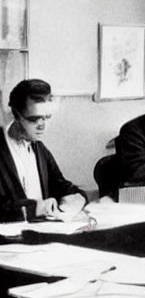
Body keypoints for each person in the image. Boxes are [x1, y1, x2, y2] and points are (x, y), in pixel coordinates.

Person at [0, 79, 86, 222]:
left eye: (47, 118)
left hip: (42, 231)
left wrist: (78, 196)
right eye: (34, 119)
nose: (42, 126)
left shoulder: (39, 148)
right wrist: (33, 209)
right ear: (16, 115)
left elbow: (61, 185)